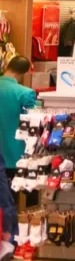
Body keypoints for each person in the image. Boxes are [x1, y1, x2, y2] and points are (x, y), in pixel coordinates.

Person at [0, 56, 36, 184]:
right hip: (14, 153)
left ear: (7, 66)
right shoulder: (25, 93)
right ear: (24, 73)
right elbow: (32, 121)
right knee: (11, 191)